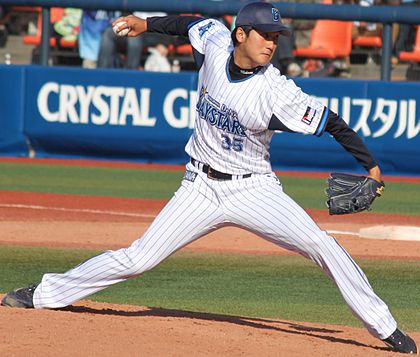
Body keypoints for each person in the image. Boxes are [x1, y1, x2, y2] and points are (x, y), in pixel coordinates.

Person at [1, 3, 417, 354]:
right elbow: (188, 24)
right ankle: (44, 293)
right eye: (265, 34)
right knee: (138, 258)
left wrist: (372, 167)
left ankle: (384, 327)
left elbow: (333, 123)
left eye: (277, 35)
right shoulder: (217, 42)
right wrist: (146, 24)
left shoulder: (277, 92)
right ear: (241, 35)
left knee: (321, 245)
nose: (273, 42)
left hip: (253, 188)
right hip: (198, 186)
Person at [97, 11, 169, 69]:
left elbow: (173, 22)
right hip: (134, 28)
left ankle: (130, 75)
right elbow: (126, 11)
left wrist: (164, 43)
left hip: (155, 34)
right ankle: (102, 72)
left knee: (134, 38)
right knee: (108, 33)